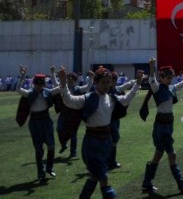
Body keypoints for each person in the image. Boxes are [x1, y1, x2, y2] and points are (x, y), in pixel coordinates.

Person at [58, 65, 143, 199]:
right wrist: (63, 83)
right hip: (92, 143)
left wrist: (138, 83)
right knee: (103, 176)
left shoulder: (111, 98)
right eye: (103, 82)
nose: (106, 85)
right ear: (96, 83)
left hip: (106, 142)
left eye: (108, 83)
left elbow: (126, 99)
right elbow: (69, 101)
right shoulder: (88, 97)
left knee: (94, 176)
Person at [141, 58, 183, 194]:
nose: (170, 80)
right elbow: (152, 80)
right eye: (167, 77)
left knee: (158, 155)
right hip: (161, 127)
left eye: (170, 77)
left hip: (168, 125)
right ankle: (181, 185)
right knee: (171, 154)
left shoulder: (172, 88)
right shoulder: (157, 88)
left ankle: (146, 183)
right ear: (161, 78)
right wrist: (151, 66)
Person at [16, 65, 60, 181]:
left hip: (46, 120)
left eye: (41, 84)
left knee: (51, 146)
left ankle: (49, 168)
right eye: (37, 84)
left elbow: (60, 88)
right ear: (34, 83)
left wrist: (53, 74)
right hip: (35, 122)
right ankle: (40, 172)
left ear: (44, 84)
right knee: (38, 149)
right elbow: (18, 89)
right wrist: (22, 75)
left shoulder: (48, 92)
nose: (39, 87)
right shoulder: (30, 93)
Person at [57, 70, 94, 158]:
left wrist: (91, 78)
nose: (70, 81)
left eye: (72, 80)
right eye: (69, 80)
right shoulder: (63, 87)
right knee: (59, 128)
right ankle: (64, 144)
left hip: (75, 114)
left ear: (75, 81)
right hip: (64, 113)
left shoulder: (78, 89)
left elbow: (88, 87)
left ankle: (73, 152)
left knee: (73, 133)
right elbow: (55, 84)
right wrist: (54, 74)